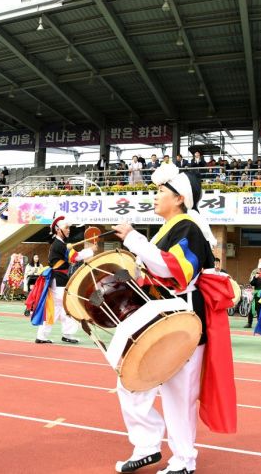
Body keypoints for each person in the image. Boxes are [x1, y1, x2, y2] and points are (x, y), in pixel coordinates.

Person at [111, 164, 236, 474]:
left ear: (179, 198)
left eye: (160, 192)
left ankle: (183, 461)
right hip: (161, 319)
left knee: (179, 396)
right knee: (131, 380)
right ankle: (147, 445)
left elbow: (176, 271)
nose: (155, 197)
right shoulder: (170, 229)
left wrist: (133, 239)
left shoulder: (190, 227)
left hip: (184, 323)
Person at [30, 216, 96, 344]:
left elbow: (73, 256)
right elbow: (75, 257)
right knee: (68, 306)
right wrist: (91, 250)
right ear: (58, 230)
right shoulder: (59, 245)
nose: (69, 230)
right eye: (66, 228)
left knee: (60, 308)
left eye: (69, 228)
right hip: (59, 280)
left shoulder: (59, 244)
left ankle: (47, 335)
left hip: (59, 279)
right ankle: (63, 334)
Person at [247, 258, 261, 329]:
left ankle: (260, 324)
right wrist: (255, 277)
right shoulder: (255, 272)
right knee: (252, 308)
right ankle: (249, 323)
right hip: (255, 293)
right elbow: (251, 282)